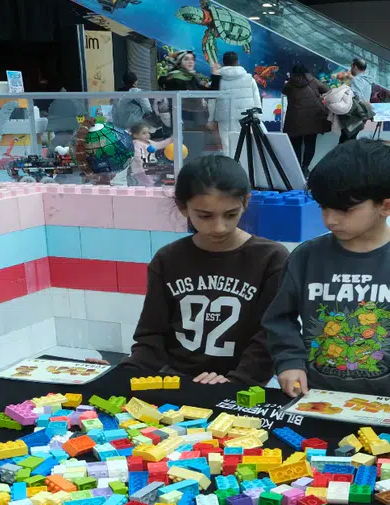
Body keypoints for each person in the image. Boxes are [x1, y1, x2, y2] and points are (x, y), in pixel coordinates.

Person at [263, 139, 390, 406]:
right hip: (315, 397)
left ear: (387, 206)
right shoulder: (306, 257)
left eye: (344, 209)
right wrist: (290, 360)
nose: (330, 219)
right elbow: (279, 318)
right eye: (323, 207)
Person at [123, 155, 288, 385]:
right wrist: (117, 373)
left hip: (240, 387)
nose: (219, 227)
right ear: (183, 207)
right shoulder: (167, 259)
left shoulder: (272, 259)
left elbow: (268, 338)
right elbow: (151, 338)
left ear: (246, 202)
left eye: (231, 214)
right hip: (175, 382)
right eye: (205, 216)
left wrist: (235, 383)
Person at [159, 51, 212, 159]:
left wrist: (216, 75)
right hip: (183, 118)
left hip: (198, 119)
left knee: (196, 148)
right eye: (186, 59)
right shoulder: (175, 77)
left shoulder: (194, 76)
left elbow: (210, 91)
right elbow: (163, 81)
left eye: (192, 59)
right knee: (185, 148)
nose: (190, 62)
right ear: (180, 62)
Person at [212, 52, 262, 157]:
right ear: (237, 61)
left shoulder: (217, 79)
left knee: (228, 147)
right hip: (246, 118)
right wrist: (257, 116)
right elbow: (256, 98)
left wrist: (211, 119)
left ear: (223, 62)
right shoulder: (249, 78)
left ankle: (230, 166)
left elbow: (212, 100)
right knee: (246, 146)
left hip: (225, 118)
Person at [281, 64, 329, 174]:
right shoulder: (314, 81)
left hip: (295, 121)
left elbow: (283, 91)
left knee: (296, 145)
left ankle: (297, 168)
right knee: (310, 144)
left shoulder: (290, 84)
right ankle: (305, 167)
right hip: (313, 119)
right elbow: (327, 90)